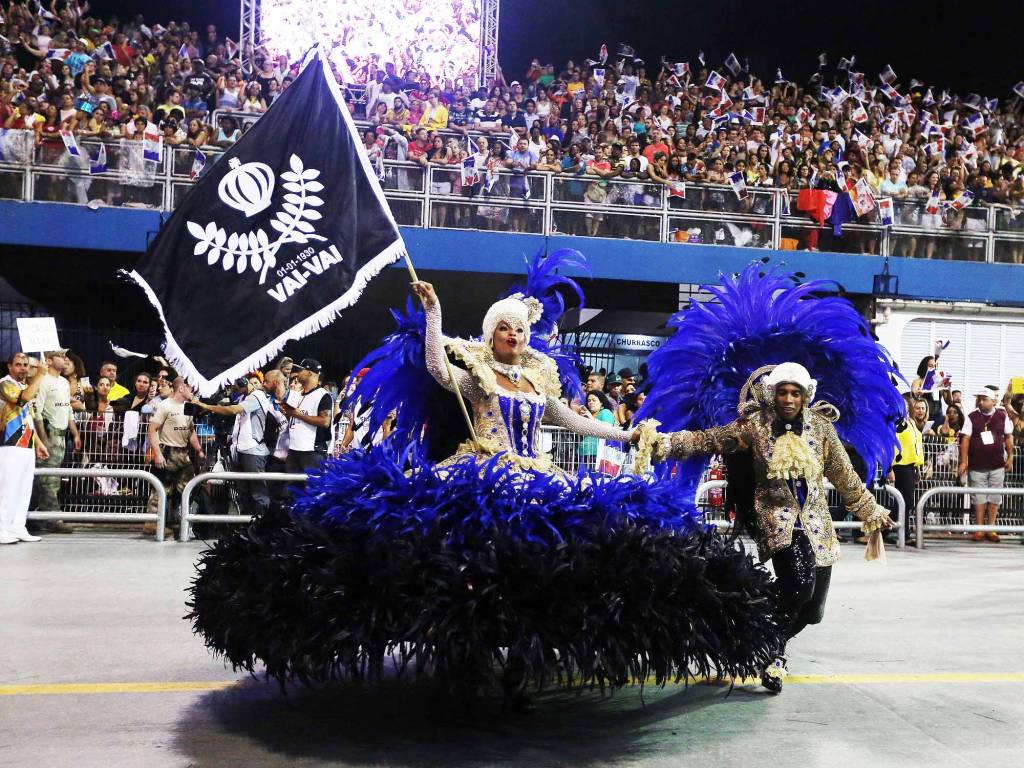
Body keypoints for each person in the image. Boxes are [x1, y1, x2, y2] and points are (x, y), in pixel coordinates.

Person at [190, 250, 786, 705]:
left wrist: (624, 435)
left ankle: (534, 648)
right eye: (506, 329)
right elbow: (432, 365)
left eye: (521, 331)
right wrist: (434, 316)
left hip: (538, 474)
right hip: (483, 470)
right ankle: (468, 647)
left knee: (558, 552)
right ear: (491, 332)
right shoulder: (475, 374)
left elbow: (572, 419)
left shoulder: (538, 379)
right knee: (473, 558)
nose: (515, 337)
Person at [651, 362, 895, 692]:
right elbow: (710, 439)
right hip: (778, 522)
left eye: (796, 393)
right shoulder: (756, 426)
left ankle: (753, 629)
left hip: (818, 528)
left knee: (812, 611)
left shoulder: (821, 429)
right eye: (783, 392)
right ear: (772, 394)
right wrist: (665, 444)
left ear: (806, 395)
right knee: (799, 582)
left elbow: (844, 476)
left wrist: (871, 511)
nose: (789, 399)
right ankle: (774, 655)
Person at [192, 373, 283, 515]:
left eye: (235, 386)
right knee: (243, 492)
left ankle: (263, 526)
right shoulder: (243, 397)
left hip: (253, 450)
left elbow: (232, 410)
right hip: (240, 449)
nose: (233, 389)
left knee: (258, 492)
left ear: (244, 382)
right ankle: (246, 526)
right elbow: (228, 409)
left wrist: (206, 405)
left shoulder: (257, 396)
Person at [145, 377, 206, 536]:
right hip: (167, 450)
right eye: (190, 388)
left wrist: (199, 449)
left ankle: (174, 520)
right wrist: (158, 454)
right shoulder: (165, 406)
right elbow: (152, 430)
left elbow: (190, 431)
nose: (192, 392)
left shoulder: (188, 407)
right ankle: (152, 523)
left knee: (184, 488)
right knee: (162, 487)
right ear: (182, 388)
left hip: (183, 453)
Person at [31, 349, 81, 534]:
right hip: (50, 435)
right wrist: (43, 440)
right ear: (49, 360)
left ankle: (34, 517)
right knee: (49, 480)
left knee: (48, 479)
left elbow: (68, 409)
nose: (66, 359)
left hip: (61, 436)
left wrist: (75, 433)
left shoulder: (64, 382)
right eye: (61, 356)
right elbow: (37, 412)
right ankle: (53, 519)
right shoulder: (43, 381)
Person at [0, 356, 49, 544]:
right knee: (8, 489)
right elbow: (23, 400)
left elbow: (28, 417)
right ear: (9, 366)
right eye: (18, 365)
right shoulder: (4, 383)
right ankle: (2, 528)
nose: (22, 368)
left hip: (27, 444)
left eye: (25, 365)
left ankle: (18, 527)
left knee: (23, 489)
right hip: (9, 444)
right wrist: (40, 375)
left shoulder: (25, 386)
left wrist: (38, 443)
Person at [958, 387, 1014, 542]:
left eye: (984, 399)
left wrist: (1010, 456)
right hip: (977, 465)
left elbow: (1009, 437)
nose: (981, 402)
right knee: (979, 498)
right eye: (980, 399)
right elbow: (965, 439)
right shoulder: (971, 417)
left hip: (997, 465)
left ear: (993, 401)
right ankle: (980, 529)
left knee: (995, 497)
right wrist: (964, 461)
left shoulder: (1003, 416)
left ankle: (991, 528)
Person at [281, 359, 332, 472]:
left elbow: (325, 422)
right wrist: (288, 414)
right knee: (292, 487)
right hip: (294, 448)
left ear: (309, 373)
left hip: (312, 451)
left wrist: (297, 415)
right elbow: (294, 419)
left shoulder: (323, 395)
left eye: (300, 370)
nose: (297, 373)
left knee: (311, 487)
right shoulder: (298, 394)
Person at [887, 397, 924, 545]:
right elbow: (889, 445)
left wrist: (918, 467)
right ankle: (904, 534)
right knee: (904, 502)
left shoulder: (911, 422)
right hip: (900, 466)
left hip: (911, 466)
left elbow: (916, 445)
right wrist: (889, 468)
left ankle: (887, 529)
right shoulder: (895, 423)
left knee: (904, 502)